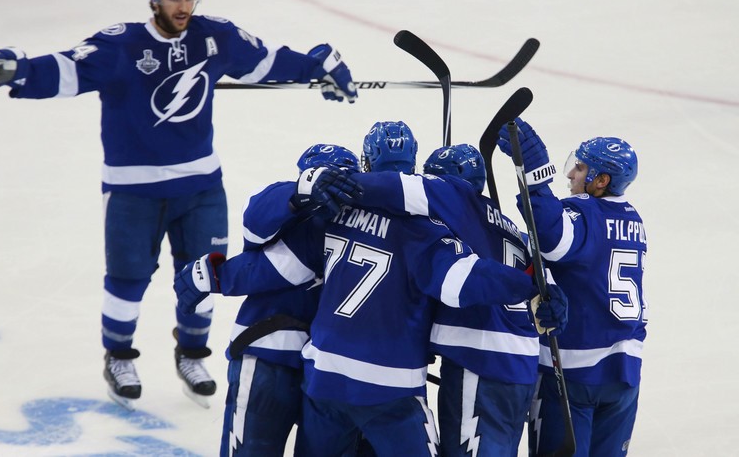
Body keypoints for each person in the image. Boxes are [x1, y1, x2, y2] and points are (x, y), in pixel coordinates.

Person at [0, 0, 358, 410]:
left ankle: (192, 355)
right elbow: (65, 70)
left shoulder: (214, 38)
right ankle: (118, 357)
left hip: (201, 187)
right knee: (127, 279)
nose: (183, 6)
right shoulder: (122, 46)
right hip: (133, 192)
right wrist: (16, 71)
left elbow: (262, 63)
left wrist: (317, 68)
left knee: (206, 271)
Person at [175, 121, 566, 457]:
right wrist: (530, 285)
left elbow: (271, 267)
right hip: (391, 389)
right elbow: (461, 283)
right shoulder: (427, 234)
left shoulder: (333, 217)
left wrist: (208, 277)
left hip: (322, 379)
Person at [342, 143, 567, 456]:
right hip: (521, 368)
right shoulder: (514, 230)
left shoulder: (452, 195)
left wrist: (325, 182)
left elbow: (395, 187)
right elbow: (550, 301)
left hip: (478, 361)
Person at [497, 118, 647, 456]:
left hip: (574, 372)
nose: (571, 175)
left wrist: (535, 170)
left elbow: (550, 236)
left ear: (600, 180)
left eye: (580, 168)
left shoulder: (585, 213)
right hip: (624, 372)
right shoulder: (633, 219)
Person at [222, 143, 363, 457]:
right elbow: (254, 222)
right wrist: (301, 192)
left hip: (332, 370)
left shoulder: (366, 228)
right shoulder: (289, 214)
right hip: (270, 355)